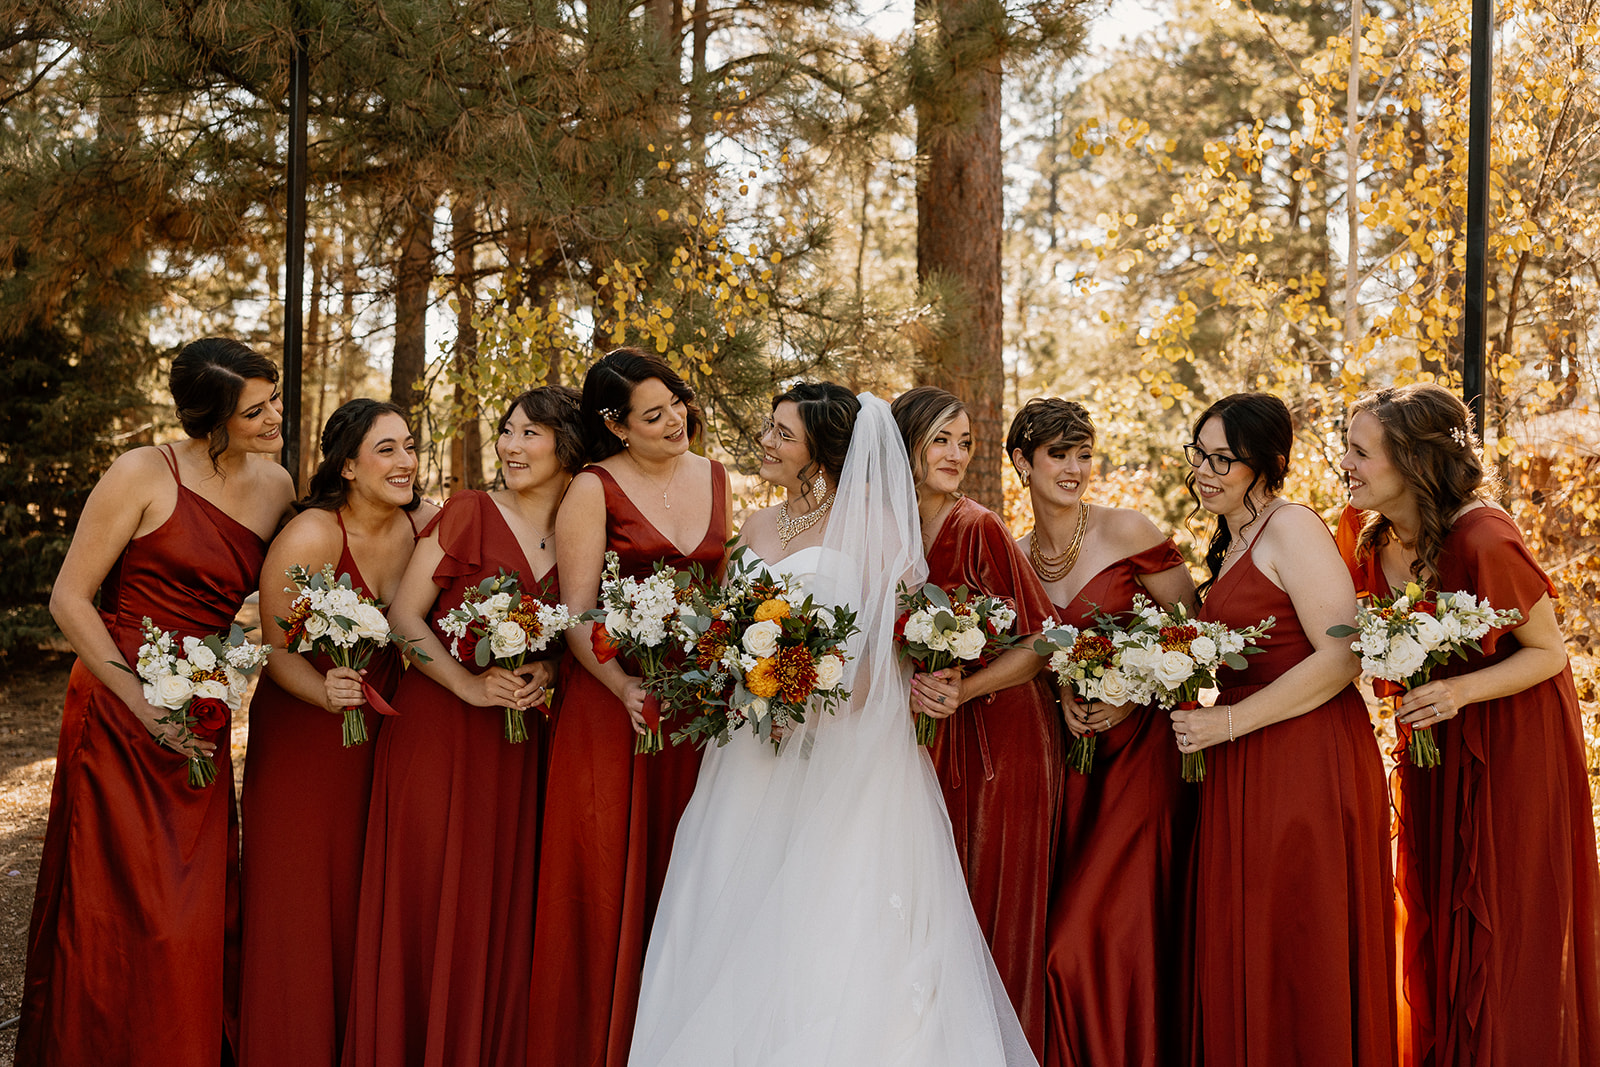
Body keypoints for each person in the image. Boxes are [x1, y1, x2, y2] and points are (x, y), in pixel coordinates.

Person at [630, 384, 1037, 1066]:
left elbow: (895, 644)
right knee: (735, 902)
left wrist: (814, 700)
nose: (766, 440)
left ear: (818, 453)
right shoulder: (757, 527)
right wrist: (747, 683)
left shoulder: (881, 528)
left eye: (781, 433)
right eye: (769, 427)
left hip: (846, 749)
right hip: (749, 749)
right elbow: (728, 633)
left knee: (827, 915)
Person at [16, 338, 295, 1066]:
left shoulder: (277, 487)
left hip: (200, 714)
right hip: (117, 710)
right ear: (211, 418)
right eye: (256, 409)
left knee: (189, 913)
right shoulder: (144, 471)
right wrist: (144, 706)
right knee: (114, 909)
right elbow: (69, 598)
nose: (276, 417)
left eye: (274, 400)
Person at [1337, 382, 1599, 1067]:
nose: (1347, 463)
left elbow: (1549, 654)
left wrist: (1459, 689)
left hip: (1514, 746)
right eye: (1346, 447)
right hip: (1431, 745)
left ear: (1413, 459)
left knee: (1504, 923)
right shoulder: (1368, 539)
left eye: (1361, 451)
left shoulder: (1485, 536)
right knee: (1436, 906)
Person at [341, 386, 578, 1067]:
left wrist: (550, 672)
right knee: (426, 902)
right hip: (438, 734)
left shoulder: (581, 529)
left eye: (529, 433)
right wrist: (467, 686)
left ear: (567, 445)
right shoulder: (469, 510)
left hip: (518, 746)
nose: (510, 445)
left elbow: (573, 635)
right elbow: (404, 619)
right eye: (507, 432)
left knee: (490, 914)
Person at [1172, 392, 1396, 1066]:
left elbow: (1342, 653)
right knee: (1251, 940)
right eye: (1199, 453)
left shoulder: (1292, 525)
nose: (1205, 471)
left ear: (1266, 465)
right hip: (1243, 756)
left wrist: (1229, 721)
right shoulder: (1234, 534)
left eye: (1224, 459)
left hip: (1305, 757)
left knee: (1300, 940)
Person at [528, 348, 732, 1067]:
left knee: (692, 870)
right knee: (608, 877)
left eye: (677, 401)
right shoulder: (593, 488)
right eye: (654, 414)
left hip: (697, 712)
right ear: (616, 426)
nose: (676, 419)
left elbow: (724, 595)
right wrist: (623, 688)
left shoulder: (715, 476)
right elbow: (577, 612)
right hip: (613, 704)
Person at [238, 399, 437, 1066]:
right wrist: (323, 689)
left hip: (379, 740)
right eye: (387, 449)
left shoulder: (423, 528)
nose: (406, 461)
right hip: (304, 740)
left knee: (363, 900)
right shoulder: (314, 535)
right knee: (299, 903)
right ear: (348, 465)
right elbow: (275, 646)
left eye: (409, 446)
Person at [1007, 398, 1199, 1067]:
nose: (1075, 467)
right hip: (1064, 770)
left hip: (1141, 760)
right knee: (1056, 948)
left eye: (1083, 452)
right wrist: (1061, 686)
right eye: (1058, 453)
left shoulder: (1127, 530)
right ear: (1021, 462)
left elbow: (1194, 633)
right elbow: (1026, 657)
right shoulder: (1013, 555)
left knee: (1088, 940)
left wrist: (1130, 694)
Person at [891, 385, 1061, 1055]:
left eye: (965, 441)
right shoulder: (885, 531)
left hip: (1003, 740)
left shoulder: (979, 526)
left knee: (992, 902)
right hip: (918, 743)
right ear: (906, 444)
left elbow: (1041, 642)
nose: (957, 454)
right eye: (942, 439)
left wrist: (966, 689)